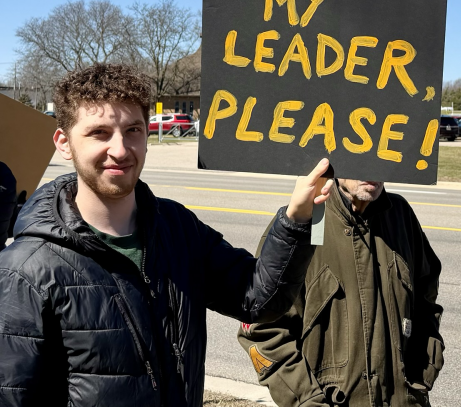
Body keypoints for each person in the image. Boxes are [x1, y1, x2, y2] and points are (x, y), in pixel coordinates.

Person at [0, 63, 333, 407]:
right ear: (64, 142)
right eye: (99, 132)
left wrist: (300, 218)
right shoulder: (25, 271)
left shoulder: (177, 228)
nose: (120, 149)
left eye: (133, 130)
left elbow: (260, 300)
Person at [238, 178, 444, 407]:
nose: (371, 169)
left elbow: (427, 300)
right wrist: (307, 400)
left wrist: (421, 375)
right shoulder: (303, 223)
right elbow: (263, 331)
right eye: (361, 155)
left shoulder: (400, 215)